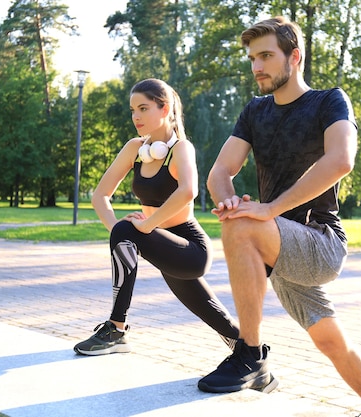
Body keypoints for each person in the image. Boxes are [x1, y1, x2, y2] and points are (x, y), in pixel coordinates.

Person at [197, 17, 361, 417]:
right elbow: (220, 173)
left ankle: (250, 355)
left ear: (295, 57)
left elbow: (341, 159)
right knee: (330, 341)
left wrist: (268, 209)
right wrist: (228, 202)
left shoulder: (329, 101)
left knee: (243, 226)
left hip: (320, 241)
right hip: (277, 247)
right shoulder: (255, 111)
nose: (257, 66)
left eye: (267, 56)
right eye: (253, 58)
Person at [74, 78, 239, 357]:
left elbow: (188, 191)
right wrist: (119, 233)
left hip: (190, 248)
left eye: (143, 108)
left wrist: (144, 227)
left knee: (128, 230)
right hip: (160, 243)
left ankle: (116, 327)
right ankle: (248, 349)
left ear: (164, 109)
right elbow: (100, 195)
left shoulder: (181, 149)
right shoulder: (134, 149)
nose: (136, 116)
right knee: (211, 312)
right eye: (132, 110)